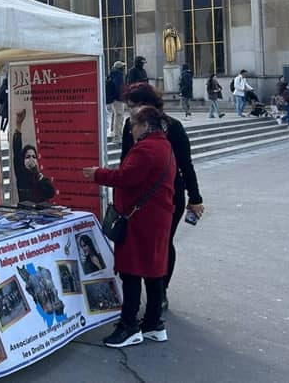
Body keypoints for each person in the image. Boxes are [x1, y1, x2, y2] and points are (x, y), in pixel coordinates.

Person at [83, 105, 175, 347]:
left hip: (140, 221)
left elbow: (125, 177)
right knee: (154, 272)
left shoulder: (146, 149)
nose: (130, 129)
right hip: (156, 218)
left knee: (131, 273)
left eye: (132, 124)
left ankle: (129, 326)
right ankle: (154, 323)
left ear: (144, 125)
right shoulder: (163, 145)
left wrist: (97, 174)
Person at [119, 83, 204, 311]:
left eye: (135, 106)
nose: (132, 112)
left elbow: (186, 165)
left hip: (168, 196)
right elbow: (124, 162)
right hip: (136, 198)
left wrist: (195, 198)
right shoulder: (131, 125)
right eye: (130, 107)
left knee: (163, 244)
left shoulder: (173, 127)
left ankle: (160, 292)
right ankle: (140, 298)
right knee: (136, 246)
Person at [12, 109, 55, 203]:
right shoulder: (21, 174)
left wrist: (38, 174)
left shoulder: (40, 177)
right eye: (27, 157)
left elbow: (51, 193)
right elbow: (16, 150)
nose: (31, 159)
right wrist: (18, 125)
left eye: (34, 156)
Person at [106, 61, 126, 139]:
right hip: (118, 99)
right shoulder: (119, 75)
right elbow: (119, 88)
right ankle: (118, 135)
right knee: (119, 116)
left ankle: (114, 132)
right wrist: (122, 97)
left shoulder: (111, 74)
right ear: (120, 68)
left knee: (115, 115)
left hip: (112, 98)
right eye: (123, 67)